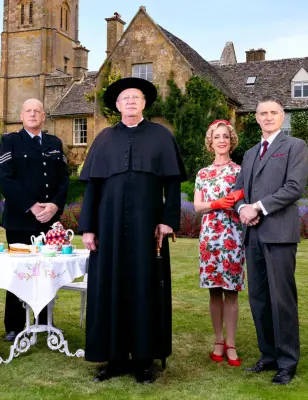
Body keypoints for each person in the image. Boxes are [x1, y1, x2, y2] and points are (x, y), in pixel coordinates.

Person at [78, 77, 186, 384]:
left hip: (147, 229)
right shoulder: (103, 139)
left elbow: (173, 184)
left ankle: (143, 359)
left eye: (135, 97)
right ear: (116, 105)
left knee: (145, 288)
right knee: (108, 288)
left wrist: (168, 220)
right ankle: (113, 358)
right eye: (125, 98)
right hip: (108, 229)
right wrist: (87, 228)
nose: (130, 102)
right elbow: (92, 188)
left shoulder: (161, 136)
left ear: (144, 103)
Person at [233, 96, 308, 385]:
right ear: (256, 117)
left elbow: (294, 188)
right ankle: (268, 355)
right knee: (259, 298)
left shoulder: (294, 146)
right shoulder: (251, 153)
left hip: (279, 234)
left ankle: (287, 362)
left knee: (282, 300)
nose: (268, 117)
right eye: (263, 113)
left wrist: (258, 207)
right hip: (252, 234)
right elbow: (240, 190)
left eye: (273, 112)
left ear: (282, 116)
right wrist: (242, 209)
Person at [0, 98, 69, 342]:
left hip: (49, 220)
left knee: (47, 272)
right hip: (20, 220)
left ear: (43, 116)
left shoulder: (55, 143)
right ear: (21, 114)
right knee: (19, 272)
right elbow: (6, 179)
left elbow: (64, 179)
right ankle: (14, 325)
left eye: (37, 111)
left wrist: (55, 205)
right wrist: (31, 206)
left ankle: (43, 320)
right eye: (28, 110)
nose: (33, 114)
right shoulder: (10, 141)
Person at [193, 120, 246, 367]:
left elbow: (245, 201)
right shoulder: (203, 174)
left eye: (225, 136)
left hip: (233, 236)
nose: (221, 140)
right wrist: (216, 204)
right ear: (211, 142)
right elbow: (197, 206)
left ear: (231, 141)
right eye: (217, 137)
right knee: (215, 291)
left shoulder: (240, 172)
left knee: (231, 292)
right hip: (210, 237)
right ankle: (217, 341)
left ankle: (232, 343)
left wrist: (234, 201)